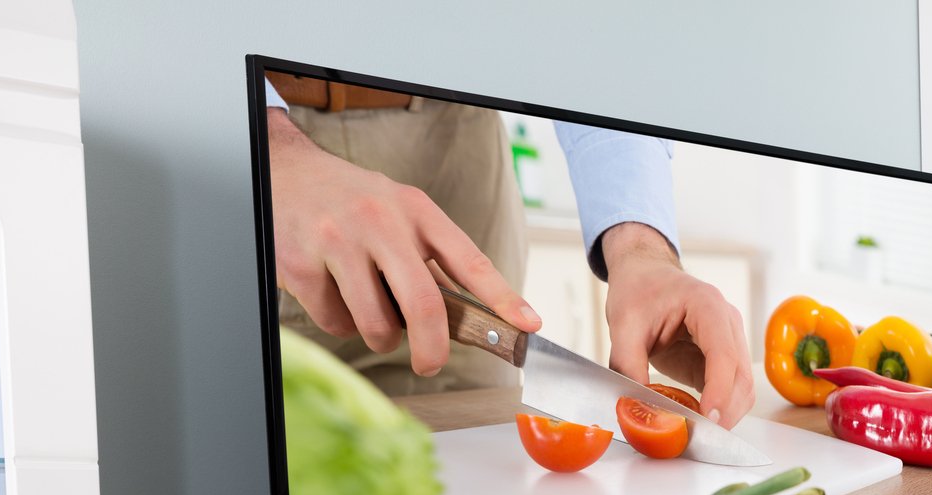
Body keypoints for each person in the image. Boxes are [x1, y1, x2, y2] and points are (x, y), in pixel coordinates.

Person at [261, 73, 752, 423]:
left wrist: (642, 250)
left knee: (470, 464)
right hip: (255, 147)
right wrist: (269, 152)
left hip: (454, 137)